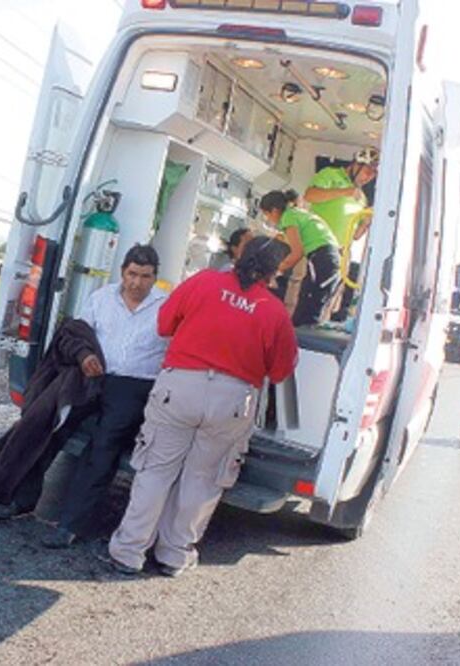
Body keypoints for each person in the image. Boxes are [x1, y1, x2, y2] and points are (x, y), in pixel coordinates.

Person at [107, 236, 298, 576]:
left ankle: (129, 551)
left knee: (155, 470)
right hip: (232, 402)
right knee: (203, 480)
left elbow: (164, 324)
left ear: (238, 257)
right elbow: (281, 370)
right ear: (273, 274)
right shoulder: (275, 312)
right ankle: (174, 554)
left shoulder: (203, 282)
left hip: (179, 388)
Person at [35, 245, 168, 547]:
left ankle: (70, 524)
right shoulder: (101, 298)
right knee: (50, 423)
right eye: (132, 274)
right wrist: (84, 356)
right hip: (93, 376)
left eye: (145, 277)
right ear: (123, 271)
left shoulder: (166, 306)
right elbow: (78, 334)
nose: (137, 283)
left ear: (155, 278)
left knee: (103, 446)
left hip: (135, 385)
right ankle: (18, 499)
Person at [304, 147, 379, 322]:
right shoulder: (330, 174)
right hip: (317, 246)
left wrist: (367, 222)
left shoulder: (361, 198)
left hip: (341, 253)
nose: (368, 177)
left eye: (373, 175)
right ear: (356, 165)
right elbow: (310, 195)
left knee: (328, 302)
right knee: (306, 296)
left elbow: (356, 235)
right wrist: (343, 192)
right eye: (367, 171)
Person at [260, 189, 340, 327]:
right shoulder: (298, 213)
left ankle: (300, 340)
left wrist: (275, 271)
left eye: (267, 215)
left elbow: (297, 252)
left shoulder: (288, 217)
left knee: (307, 307)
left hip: (322, 257)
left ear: (274, 211)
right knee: (311, 301)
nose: (269, 220)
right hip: (329, 257)